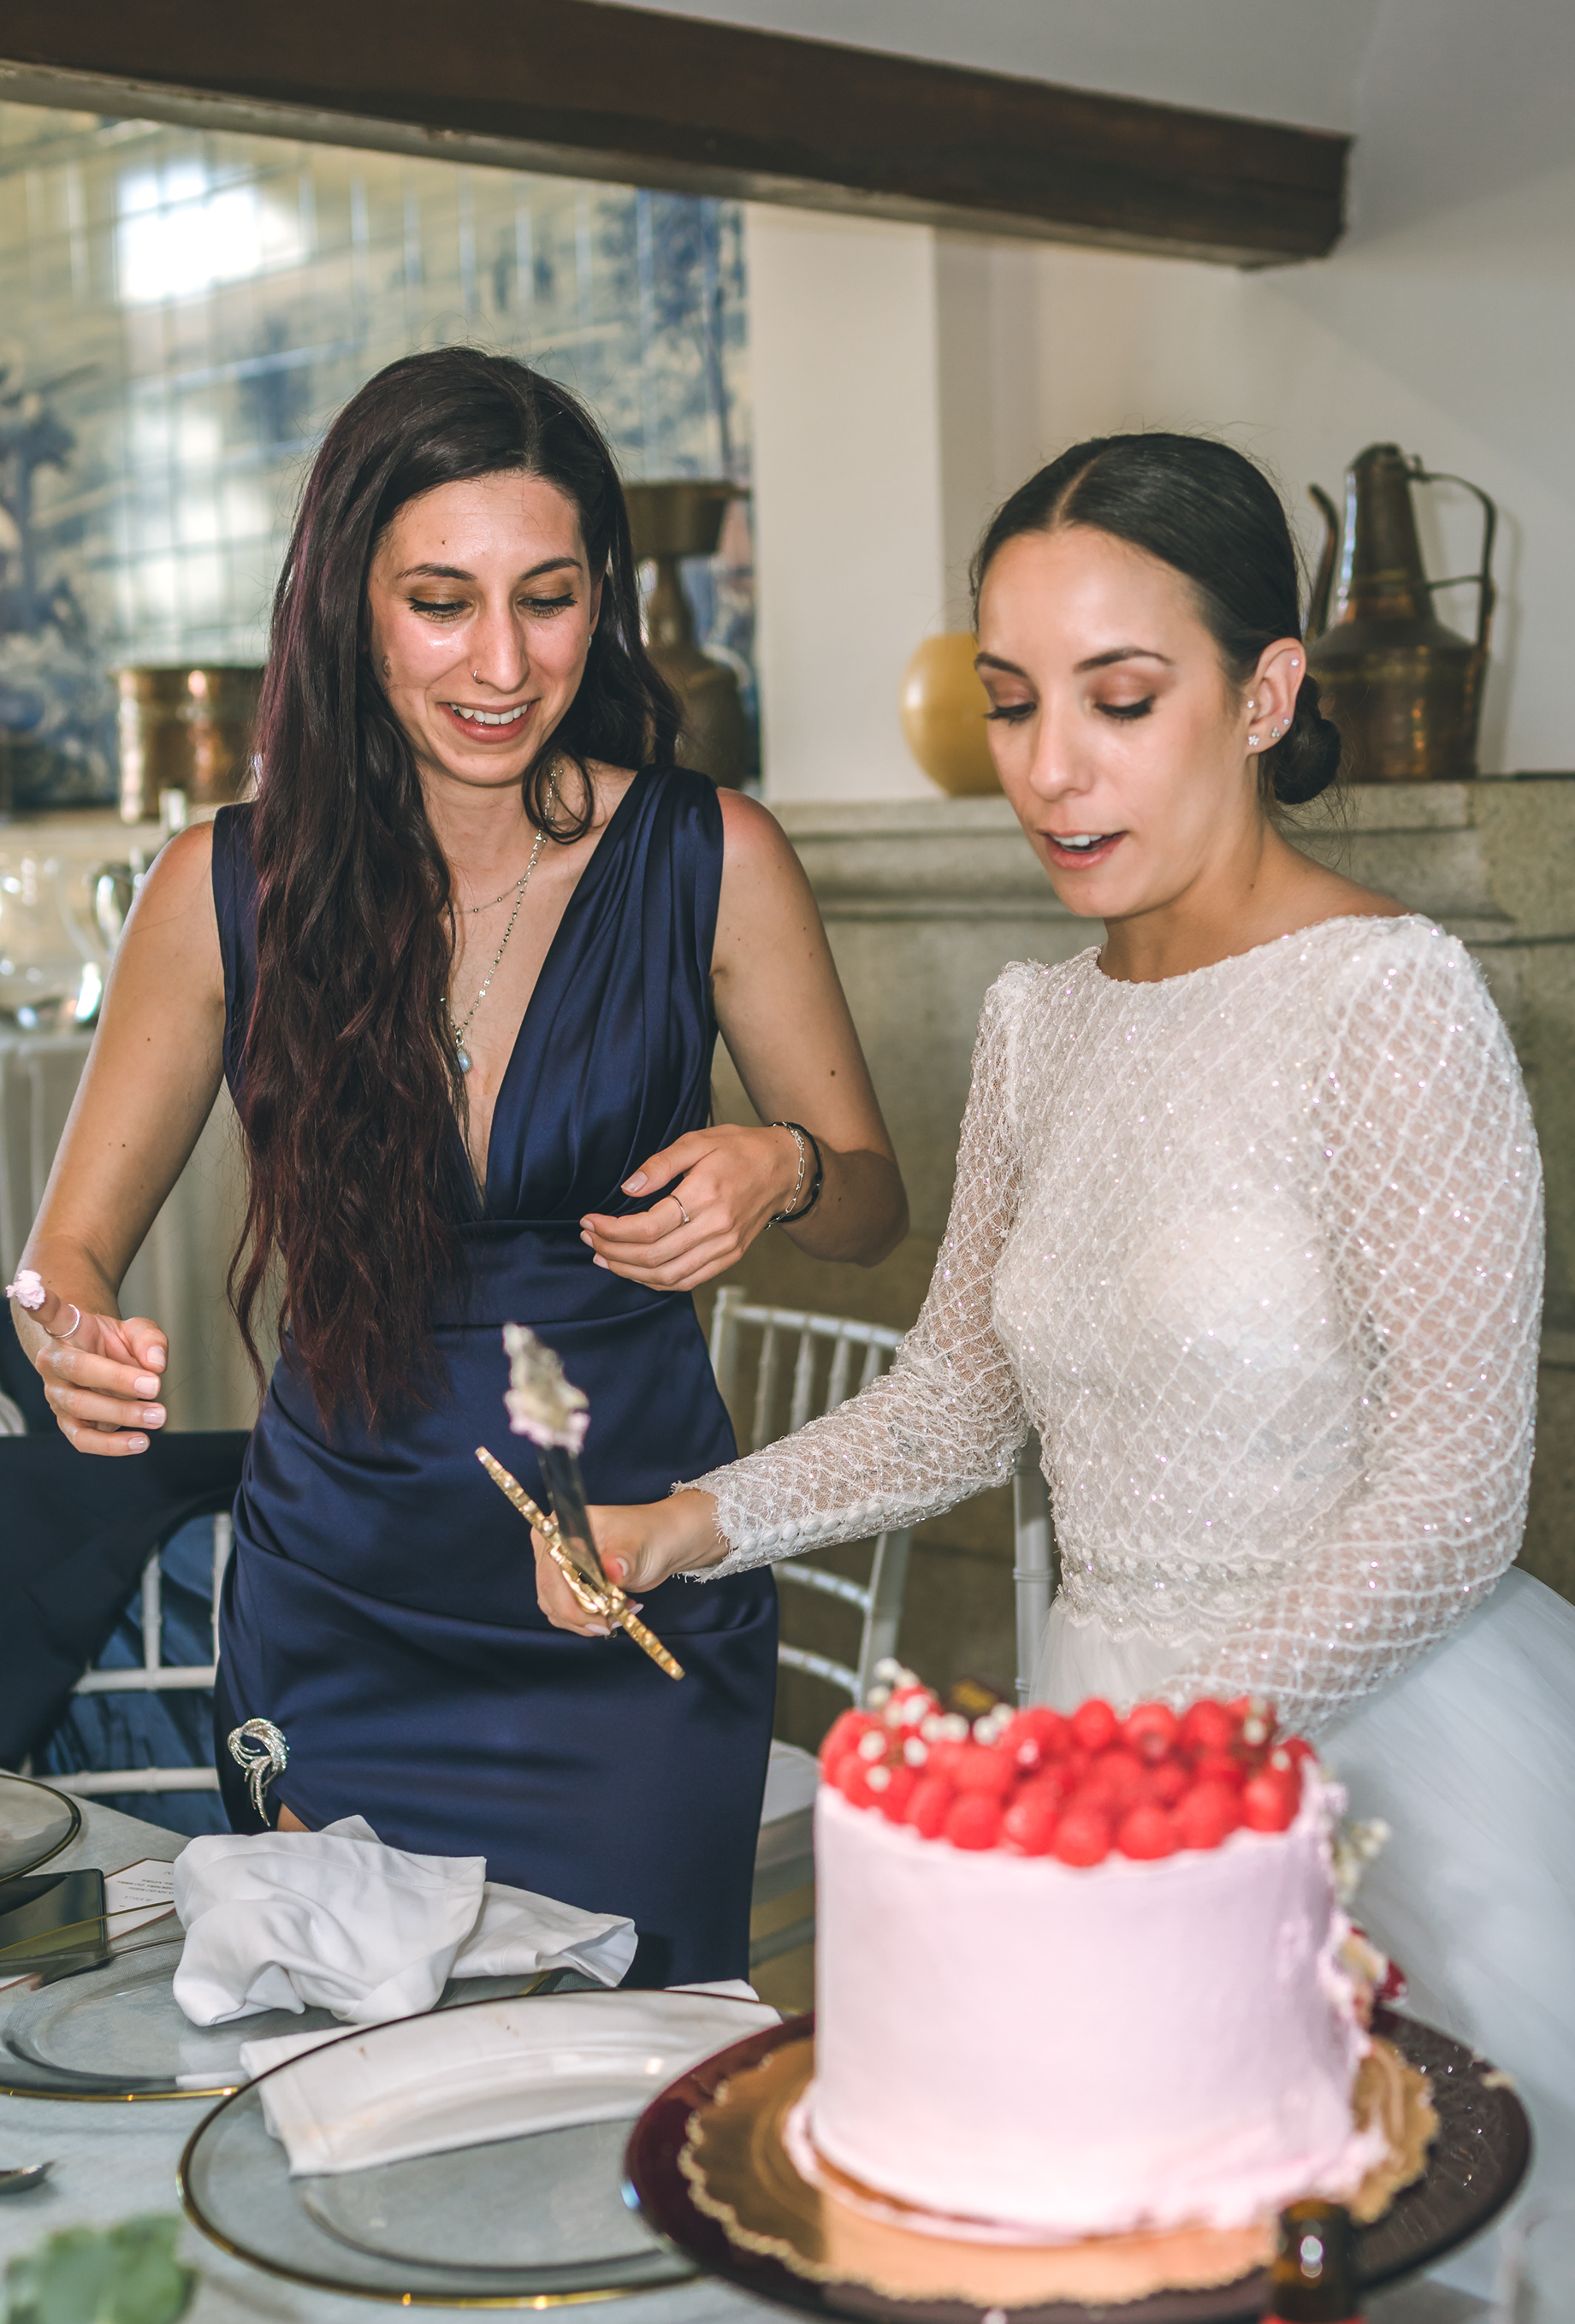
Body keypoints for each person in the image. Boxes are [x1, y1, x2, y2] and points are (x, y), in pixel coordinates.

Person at [540, 432, 1575, 2193]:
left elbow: (1453, 1500)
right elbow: (958, 1401)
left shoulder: (1388, 1002)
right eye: (1011, 702)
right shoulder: (1035, 1023)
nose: (1051, 769)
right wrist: (682, 1525)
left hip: (1381, 1764)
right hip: (1101, 1735)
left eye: (1121, 700)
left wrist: (1165, 1760)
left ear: (1265, 693)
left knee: (1401, 2273)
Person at [11, 347, 907, 1986]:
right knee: (338, 2081)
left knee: (632, 2087)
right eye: (441, 602)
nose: (502, 663)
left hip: (630, 1591)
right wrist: (68, 1333)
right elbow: (60, 1256)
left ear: (599, 604)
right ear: (350, 607)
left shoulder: (713, 858)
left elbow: (870, 1205)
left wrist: (783, 1166)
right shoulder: (223, 890)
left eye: (547, 600)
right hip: (338, 1618)